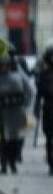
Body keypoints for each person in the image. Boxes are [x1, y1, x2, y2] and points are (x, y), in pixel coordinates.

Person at [0, 54, 32, 174]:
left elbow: (28, 90)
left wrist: (25, 105)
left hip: (16, 112)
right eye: (1, 65)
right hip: (1, 113)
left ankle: (12, 163)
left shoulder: (18, 76)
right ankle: (3, 165)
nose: (3, 68)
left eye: (5, 65)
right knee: (2, 141)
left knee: (15, 140)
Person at [34, 41, 53, 175]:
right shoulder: (44, 74)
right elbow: (39, 94)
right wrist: (36, 108)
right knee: (49, 138)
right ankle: (51, 163)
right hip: (48, 109)